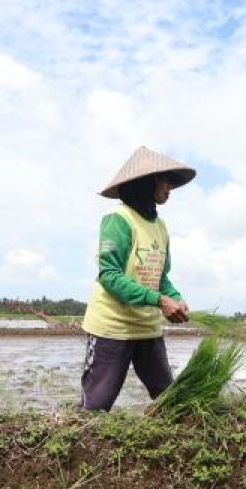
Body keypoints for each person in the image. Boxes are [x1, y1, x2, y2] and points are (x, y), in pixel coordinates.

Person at [79, 146, 194, 411]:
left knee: (170, 401)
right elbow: (109, 275)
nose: (170, 188)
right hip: (112, 327)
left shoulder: (160, 226)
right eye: (166, 181)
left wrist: (174, 297)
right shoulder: (118, 220)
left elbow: (160, 277)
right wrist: (157, 299)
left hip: (147, 328)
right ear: (149, 181)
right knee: (95, 406)